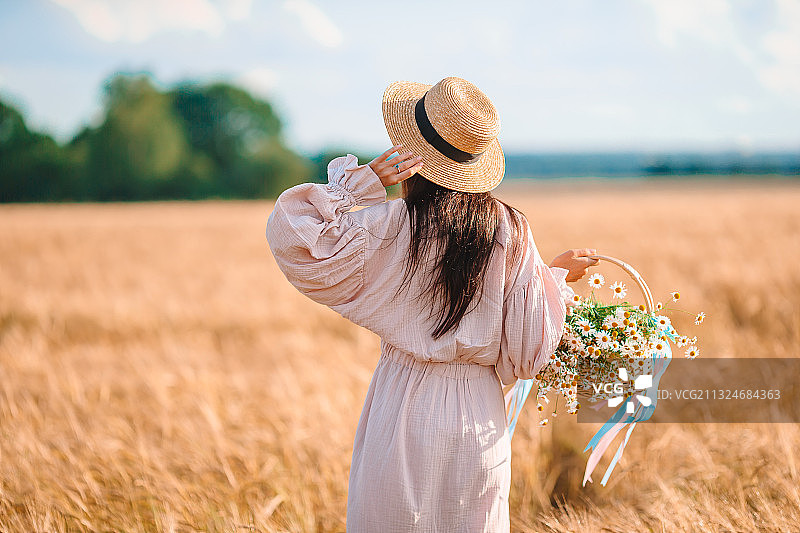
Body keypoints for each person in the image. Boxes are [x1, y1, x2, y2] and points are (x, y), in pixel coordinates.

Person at [266, 77, 598, 532]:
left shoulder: (389, 226)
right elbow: (529, 353)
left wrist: (361, 184)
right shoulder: (512, 231)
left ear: (413, 154)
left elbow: (294, 237)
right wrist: (551, 277)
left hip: (402, 406)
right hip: (479, 419)